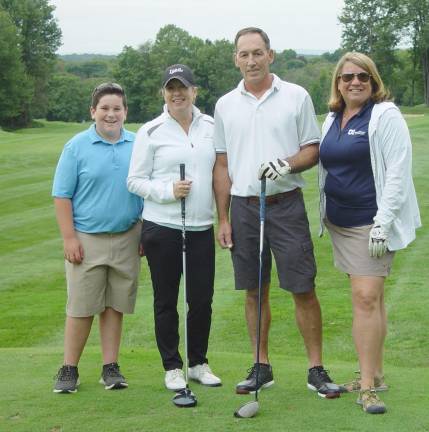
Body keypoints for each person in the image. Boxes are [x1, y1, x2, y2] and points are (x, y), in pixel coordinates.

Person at [213, 27, 343, 398]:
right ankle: (261, 366)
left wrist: (286, 164)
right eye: (244, 54)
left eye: (258, 53)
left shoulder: (295, 96)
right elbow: (221, 165)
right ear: (236, 58)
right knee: (254, 291)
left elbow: (312, 149)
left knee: (302, 287)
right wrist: (222, 218)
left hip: (285, 205)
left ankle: (316, 369)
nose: (251, 61)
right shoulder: (225, 104)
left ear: (270, 55)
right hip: (243, 207)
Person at [319, 52, 421, 414]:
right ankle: (374, 374)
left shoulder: (384, 115)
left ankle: (366, 388)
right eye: (347, 77)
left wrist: (383, 222)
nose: (354, 82)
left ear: (373, 80)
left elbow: (397, 171)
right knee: (370, 299)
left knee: (365, 297)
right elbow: (326, 164)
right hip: (340, 223)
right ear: (338, 83)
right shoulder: (332, 118)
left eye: (362, 76)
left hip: (370, 222)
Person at [127, 64, 221, 391]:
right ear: (163, 93)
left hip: (200, 226)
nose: (177, 93)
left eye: (183, 87)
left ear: (195, 91)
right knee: (166, 300)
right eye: (171, 88)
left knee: (201, 298)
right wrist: (168, 191)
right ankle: (172, 366)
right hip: (162, 226)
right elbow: (135, 180)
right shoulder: (150, 131)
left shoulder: (211, 126)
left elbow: (221, 171)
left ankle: (198, 362)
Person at [52, 83, 142, 393]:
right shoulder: (76, 146)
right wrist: (69, 238)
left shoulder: (137, 144)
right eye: (104, 108)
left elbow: (144, 190)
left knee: (115, 305)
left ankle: (110, 367)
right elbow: (62, 195)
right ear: (93, 111)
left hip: (128, 236)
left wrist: (145, 231)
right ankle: (68, 369)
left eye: (117, 108)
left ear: (125, 112)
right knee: (81, 306)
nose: (111, 114)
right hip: (87, 238)